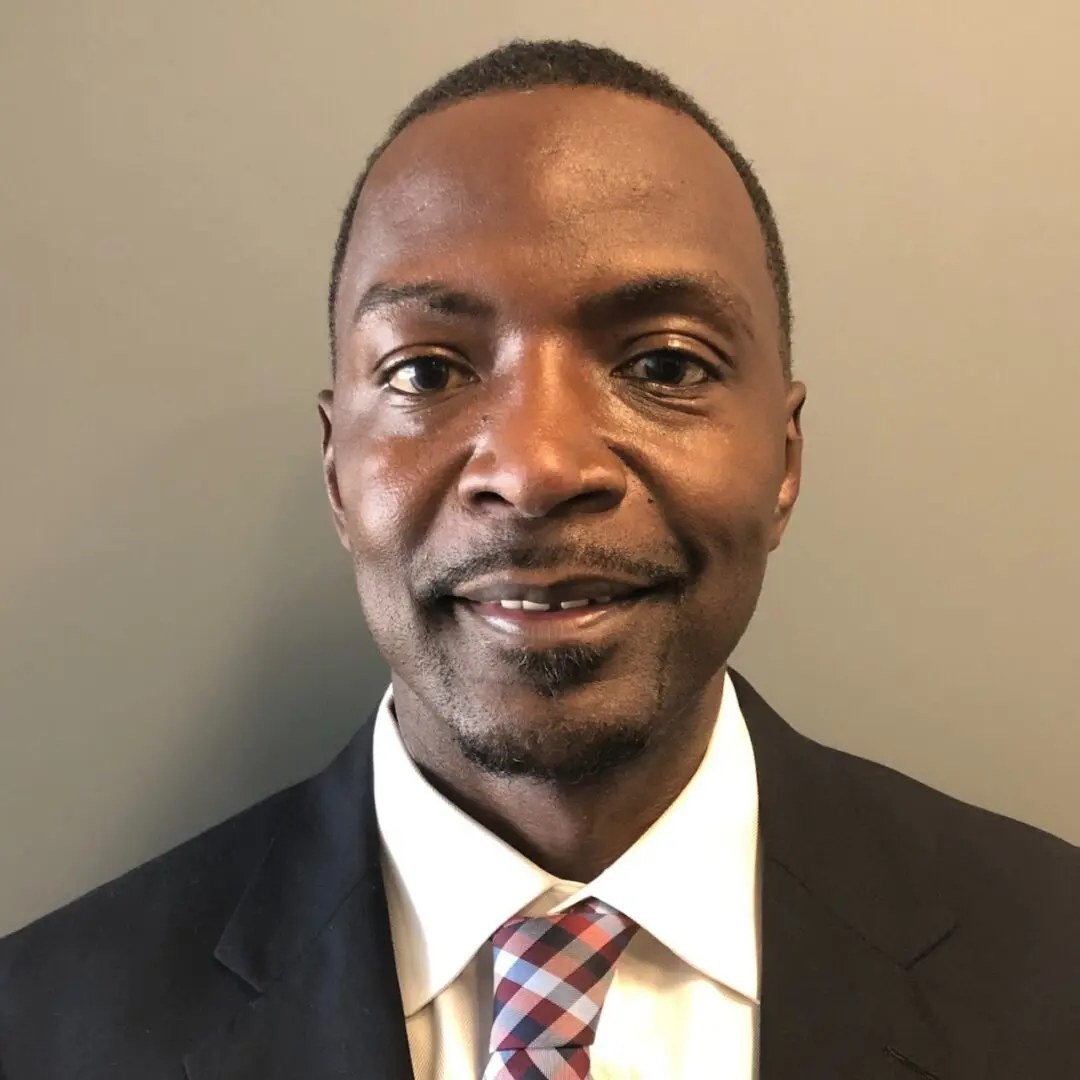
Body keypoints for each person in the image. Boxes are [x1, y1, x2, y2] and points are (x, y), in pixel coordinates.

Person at [1, 37, 1077, 1080]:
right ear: (338, 474)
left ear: (783, 461)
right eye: (426, 372)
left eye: (662, 362)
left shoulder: (1051, 970)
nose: (536, 466)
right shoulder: (41, 1028)